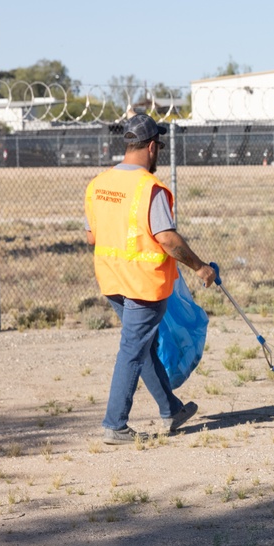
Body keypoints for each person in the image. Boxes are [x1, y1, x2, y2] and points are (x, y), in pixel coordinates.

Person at [84, 114, 216, 445]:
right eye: (160, 149)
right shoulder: (150, 189)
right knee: (134, 348)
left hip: (111, 278)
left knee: (142, 347)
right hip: (143, 284)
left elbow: (91, 237)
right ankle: (115, 425)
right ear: (153, 147)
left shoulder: (99, 184)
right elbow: (168, 240)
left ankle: (171, 410)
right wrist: (200, 267)